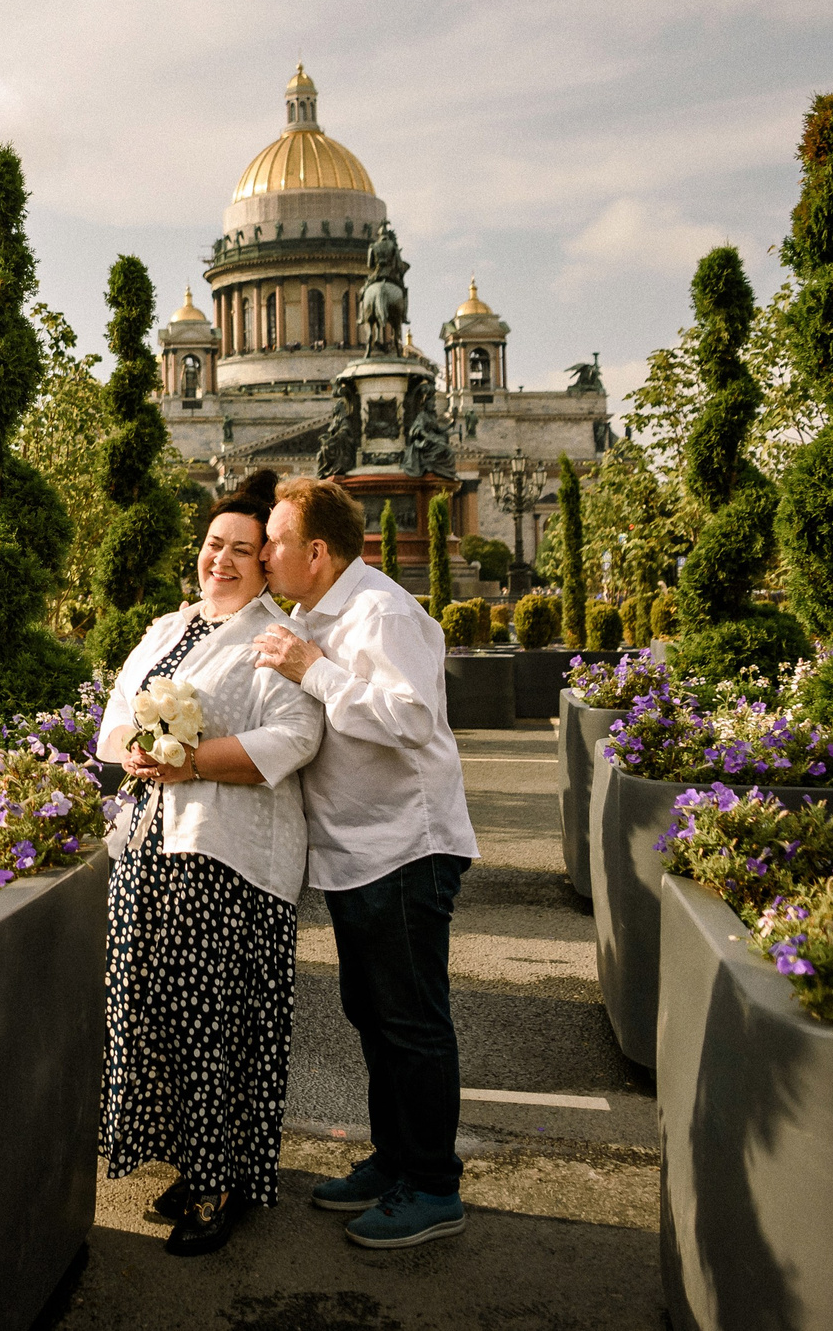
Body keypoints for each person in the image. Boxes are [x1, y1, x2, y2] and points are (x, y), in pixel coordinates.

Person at [98, 468, 325, 1258]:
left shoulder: (273, 637)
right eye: (211, 545)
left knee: (214, 1024)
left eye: (240, 549)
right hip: (150, 849)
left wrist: (194, 761)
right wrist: (142, 747)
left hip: (227, 860)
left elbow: (296, 738)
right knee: (154, 1013)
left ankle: (218, 1183)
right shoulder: (169, 628)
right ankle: (194, 1162)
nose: (220, 561)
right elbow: (111, 723)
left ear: (266, 562)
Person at [253, 476, 477, 1250]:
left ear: (316, 551)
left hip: (406, 848)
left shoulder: (379, 609)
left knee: (412, 1021)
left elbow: (411, 716)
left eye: (275, 540)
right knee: (376, 1014)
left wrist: (313, 669)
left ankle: (434, 1185)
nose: (265, 552)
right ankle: (396, 1161)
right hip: (358, 853)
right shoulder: (315, 614)